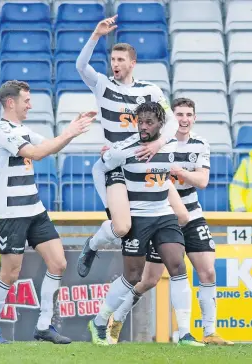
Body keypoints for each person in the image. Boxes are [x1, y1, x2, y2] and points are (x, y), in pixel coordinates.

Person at [105, 98, 233, 346]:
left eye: (189, 114)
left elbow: (202, 181)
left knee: (207, 270)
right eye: (180, 114)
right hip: (163, 214)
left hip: (192, 213)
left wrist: (174, 170)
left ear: (194, 118)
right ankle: (117, 319)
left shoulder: (200, 143)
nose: (184, 119)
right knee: (149, 280)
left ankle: (209, 332)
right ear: (171, 118)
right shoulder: (156, 142)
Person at [0, 80, 95, 344]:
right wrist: (69, 132)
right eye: (26, 100)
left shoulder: (22, 129)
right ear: (11, 103)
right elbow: (37, 153)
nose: (30, 105)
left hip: (34, 209)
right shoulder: (3, 132)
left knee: (58, 262)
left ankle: (44, 326)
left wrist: (71, 131)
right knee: (10, 273)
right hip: (11, 213)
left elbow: (51, 145)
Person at [86, 101, 202, 347]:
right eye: (141, 122)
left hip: (163, 214)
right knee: (132, 276)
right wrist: (109, 207)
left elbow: (175, 127)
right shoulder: (123, 150)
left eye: (149, 122)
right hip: (137, 218)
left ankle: (184, 333)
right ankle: (99, 321)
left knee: (178, 266)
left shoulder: (169, 143)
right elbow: (98, 169)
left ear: (160, 124)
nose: (144, 127)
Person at [75, 15, 179, 278]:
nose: (115, 64)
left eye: (121, 60)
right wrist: (95, 36)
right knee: (121, 227)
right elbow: (80, 65)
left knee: (179, 216)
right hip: (116, 164)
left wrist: (158, 143)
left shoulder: (151, 90)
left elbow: (172, 122)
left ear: (133, 63)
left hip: (145, 162)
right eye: (112, 60)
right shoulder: (103, 85)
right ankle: (93, 245)